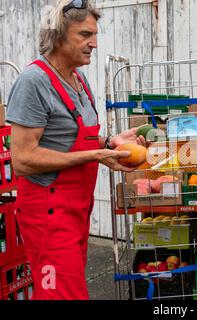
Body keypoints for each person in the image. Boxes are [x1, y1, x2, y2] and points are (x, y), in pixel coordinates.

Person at [6, 0, 146, 300]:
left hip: (76, 211)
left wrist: (109, 144)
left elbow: (72, 140)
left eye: (94, 35)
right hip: (48, 213)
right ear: (57, 35)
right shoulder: (33, 82)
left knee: (62, 290)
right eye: (84, 35)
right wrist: (96, 156)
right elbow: (23, 160)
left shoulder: (77, 79)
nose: (94, 43)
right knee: (61, 293)